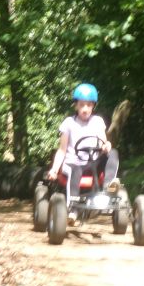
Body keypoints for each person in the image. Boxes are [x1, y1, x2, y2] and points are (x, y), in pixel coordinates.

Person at [47, 83, 120, 222]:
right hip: (74, 163)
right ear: (76, 105)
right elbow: (62, 150)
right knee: (75, 170)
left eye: (89, 105)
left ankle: (107, 189)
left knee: (113, 153)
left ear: (93, 106)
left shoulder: (97, 121)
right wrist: (54, 169)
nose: (85, 109)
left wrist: (106, 146)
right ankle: (73, 209)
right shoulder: (69, 123)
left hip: (93, 162)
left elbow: (103, 142)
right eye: (81, 105)